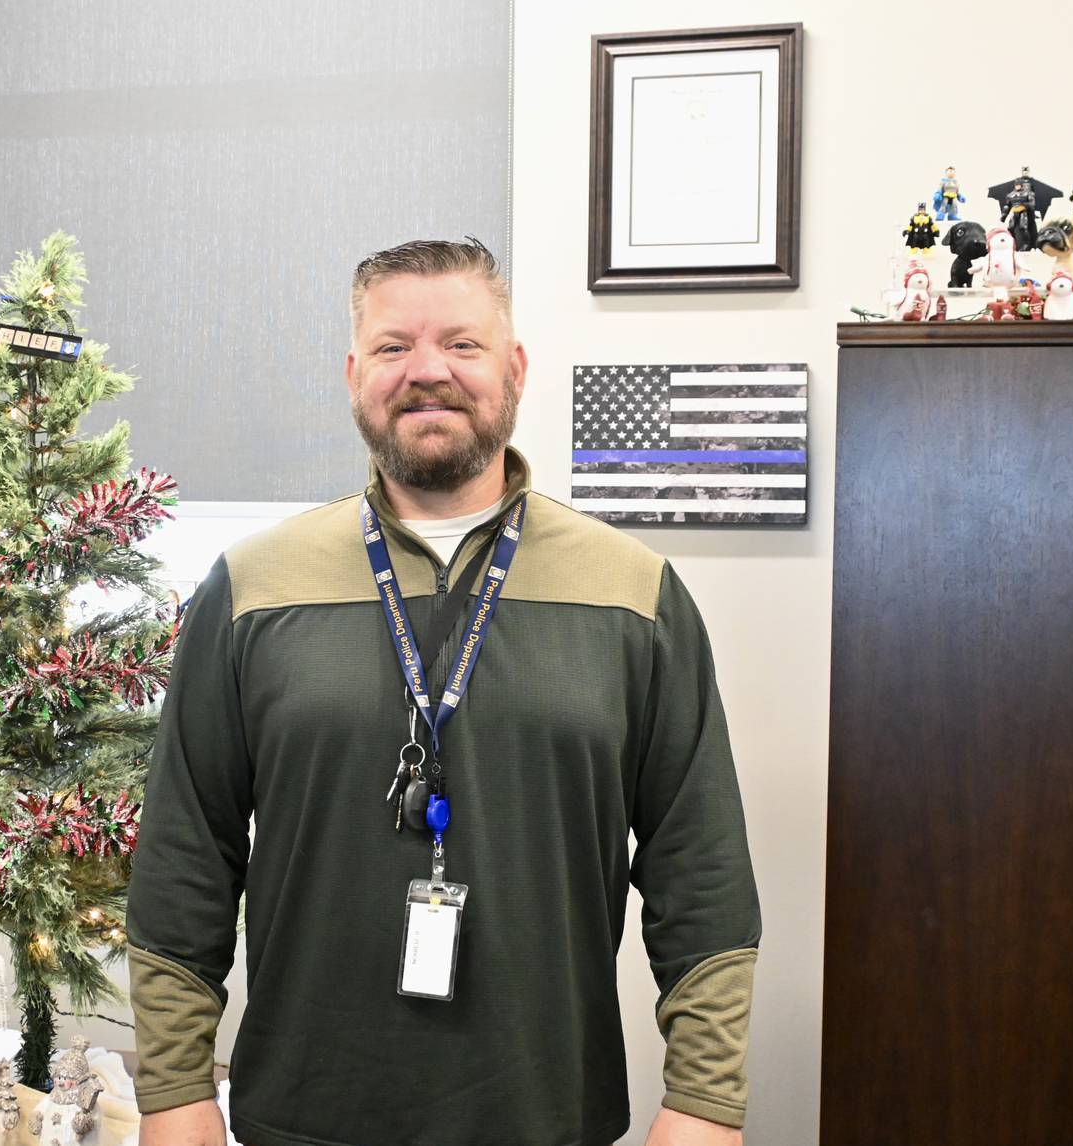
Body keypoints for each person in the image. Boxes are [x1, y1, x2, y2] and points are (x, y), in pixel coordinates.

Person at [127, 239, 760, 1146]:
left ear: (515, 367)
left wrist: (705, 1103)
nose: (428, 371)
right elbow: (185, 857)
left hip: (549, 1116)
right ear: (355, 375)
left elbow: (701, 869)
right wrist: (176, 1091)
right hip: (303, 1116)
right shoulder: (252, 588)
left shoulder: (635, 594)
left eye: (462, 343)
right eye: (393, 348)